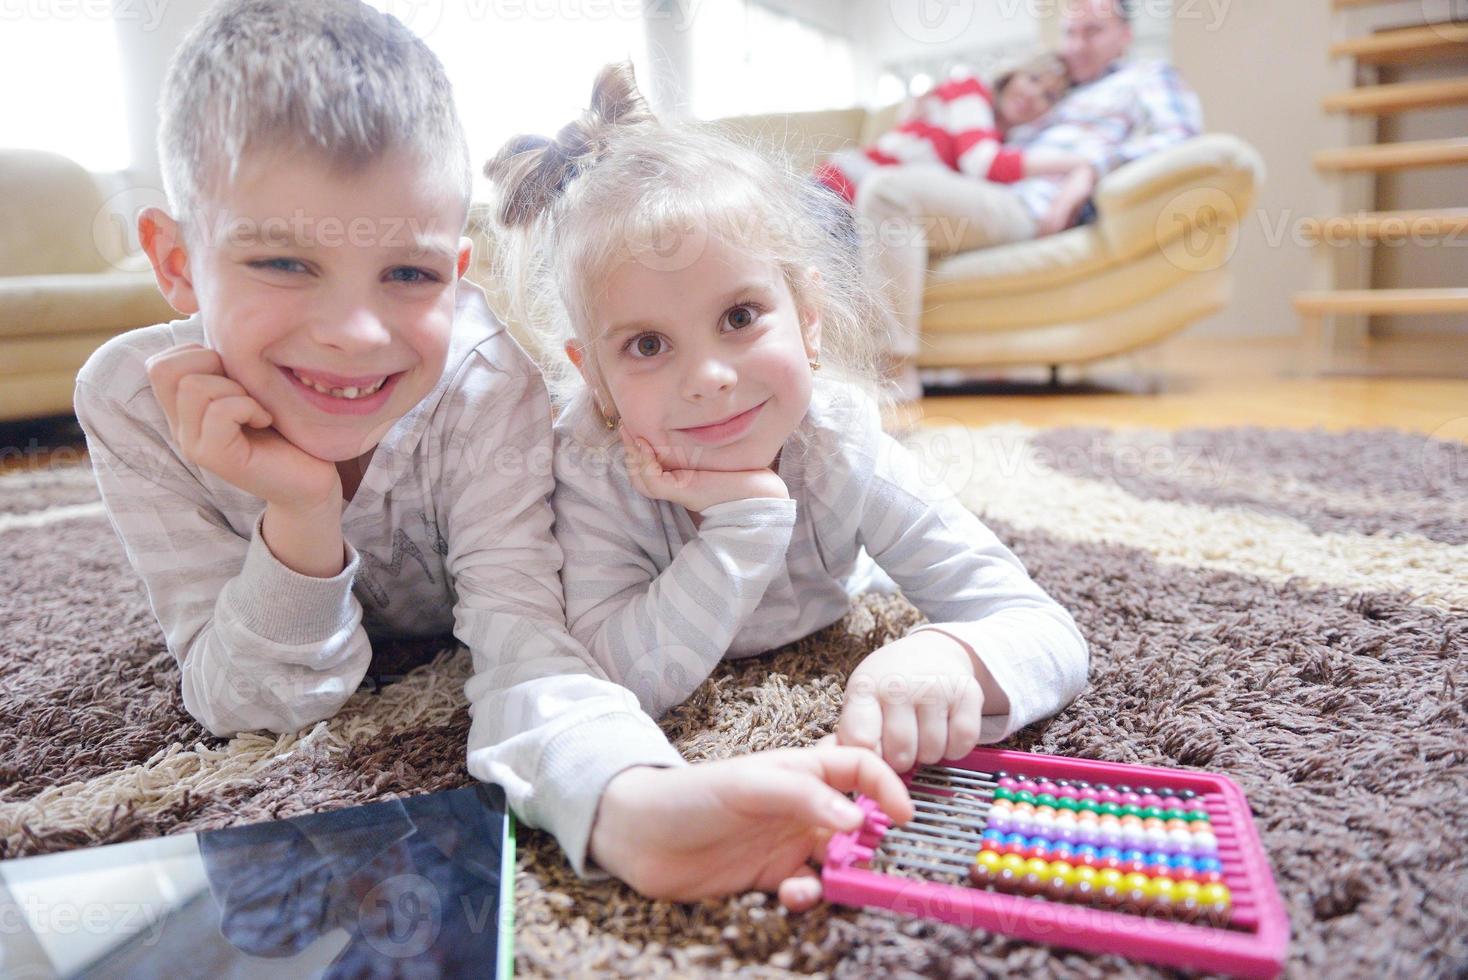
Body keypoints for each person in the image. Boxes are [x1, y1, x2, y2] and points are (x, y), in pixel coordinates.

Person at [73, 0, 911, 913]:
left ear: (459, 270)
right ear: (176, 259)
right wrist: (300, 517)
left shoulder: (483, 388)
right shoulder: (131, 401)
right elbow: (242, 704)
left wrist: (629, 802)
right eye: (281, 264)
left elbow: (527, 646)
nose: (356, 335)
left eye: (409, 274)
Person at [485, 62, 1090, 908]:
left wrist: (950, 651)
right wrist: (742, 526)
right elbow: (615, 672)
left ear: (807, 319)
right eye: (648, 347)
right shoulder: (590, 471)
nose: (711, 377)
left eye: (739, 318)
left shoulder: (840, 443)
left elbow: (1042, 626)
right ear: (596, 384)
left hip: (844, 579)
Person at [864, 0, 1204, 401]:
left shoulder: (1146, 77)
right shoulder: (1054, 89)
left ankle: (892, 371)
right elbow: (984, 138)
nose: (1077, 44)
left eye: (1093, 31)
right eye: (1070, 32)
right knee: (863, 208)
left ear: (1124, 36)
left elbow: (1181, 137)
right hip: (989, 192)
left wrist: (1090, 169)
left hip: (1027, 207)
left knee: (888, 191)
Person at [815, 53, 1085, 204]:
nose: (1033, 94)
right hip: (842, 187)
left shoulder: (1002, 141)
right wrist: (1074, 164)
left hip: (872, 206)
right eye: (1033, 78)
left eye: (1049, 96)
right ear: (1013, 75)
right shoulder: (971, 90)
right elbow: (982, 163)